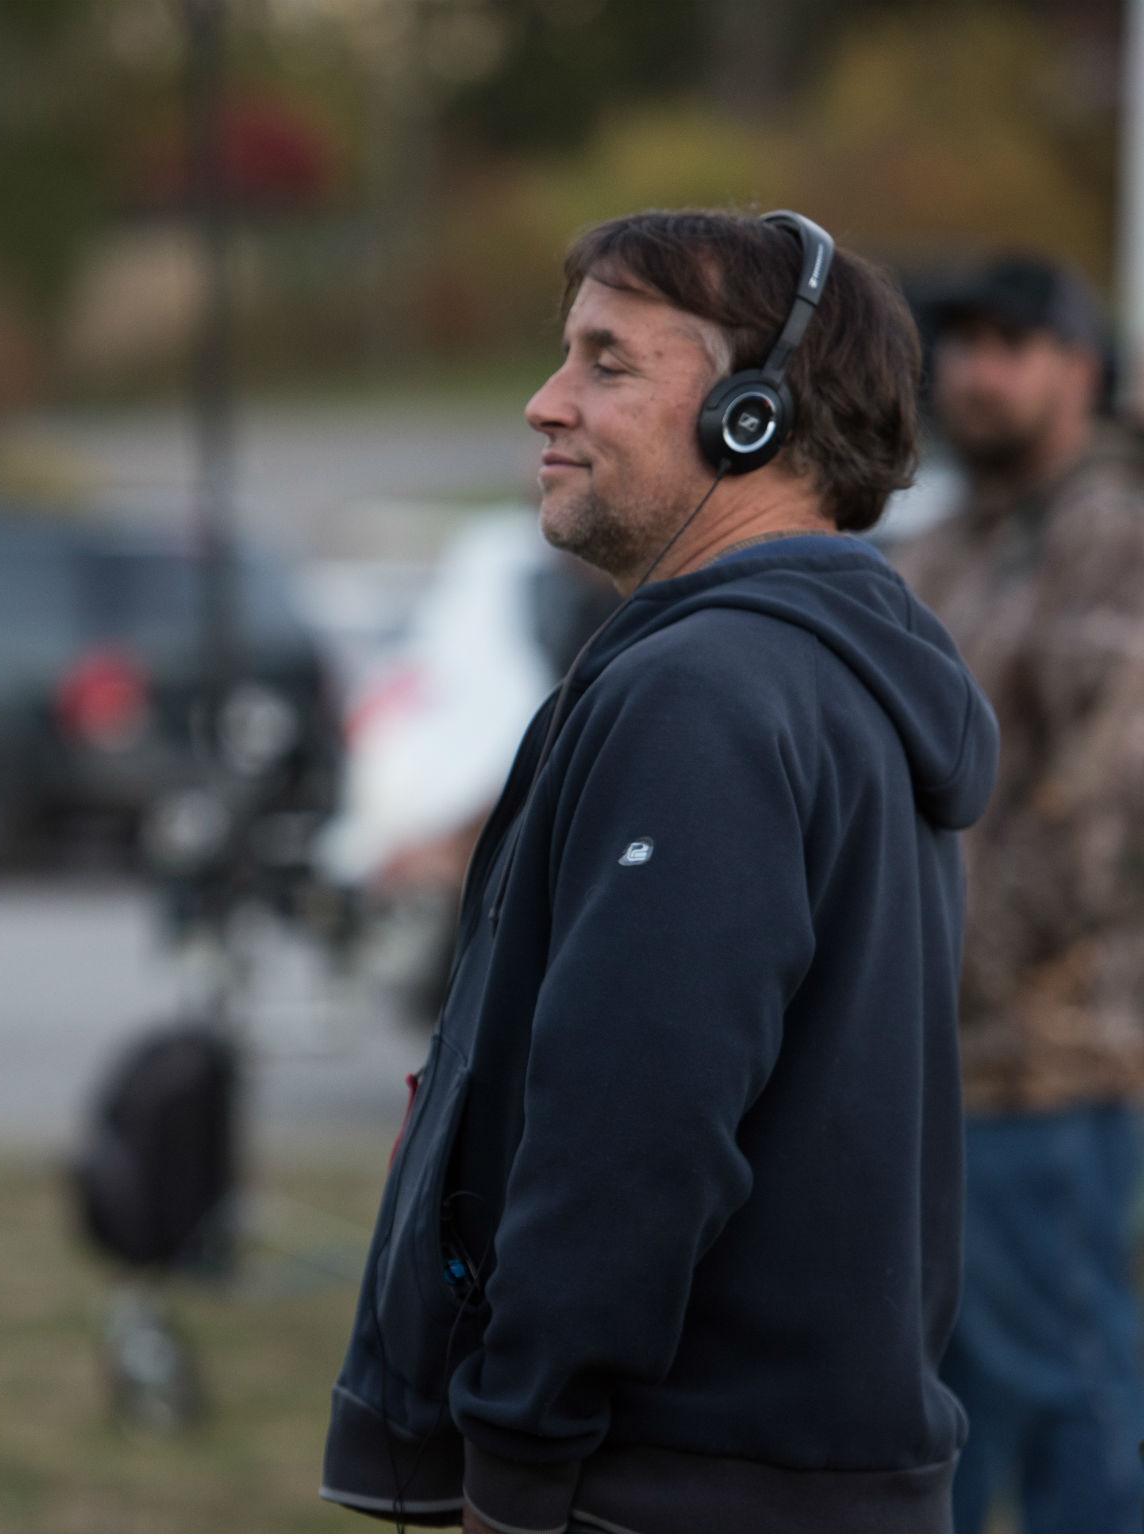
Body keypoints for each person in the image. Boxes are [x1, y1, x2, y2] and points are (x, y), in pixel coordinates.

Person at [322, 209, 997, 1531]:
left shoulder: (712, 691)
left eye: (607, 362)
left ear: (754, 412)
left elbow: (633, 1128)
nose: (545, 402)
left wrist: (517, 1460)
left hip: (663, 1484)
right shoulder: (803, 673)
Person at [897, 255, 1144, 1532]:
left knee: (1070, 1399)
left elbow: (1102, 808)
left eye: (1010, 343)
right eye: (960, 343)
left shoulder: (1113, 535)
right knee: (934, 1409)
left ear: (1081, 368)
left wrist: (941, 960)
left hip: (1052, 1065)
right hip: (927, 1070)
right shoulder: (943, 541)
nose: (973, 372)